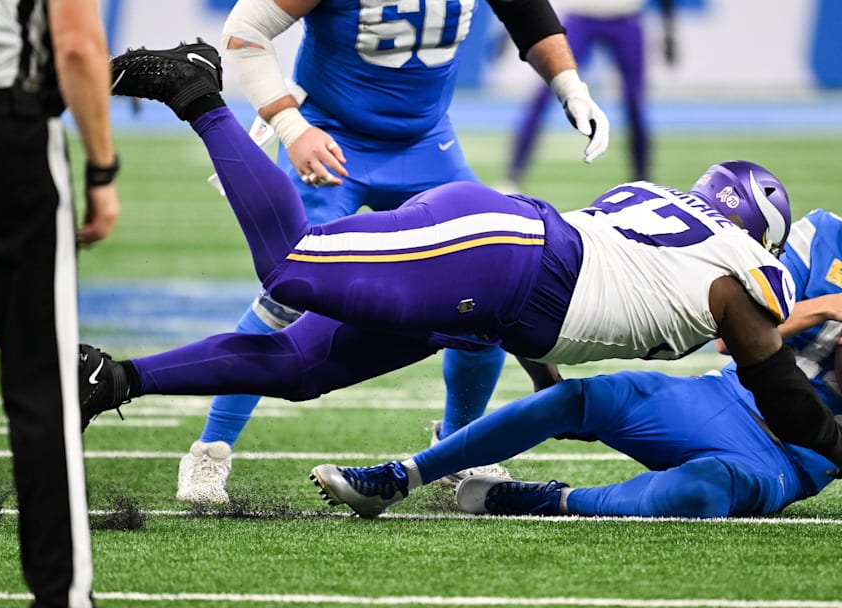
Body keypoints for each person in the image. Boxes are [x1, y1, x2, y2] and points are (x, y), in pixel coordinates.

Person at [79, 43, 842, 491]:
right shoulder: (740, 267)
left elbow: (594, 284)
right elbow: (777, 386)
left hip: (501, 275)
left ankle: (111, 380)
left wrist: (544, 374)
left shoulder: (662, 212)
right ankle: (196, 89)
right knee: (291, 270)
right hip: (501, 260)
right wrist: (834, 436)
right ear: (758, 234)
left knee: (297, 368)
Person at [310, 157, 842, 519]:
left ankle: (547, 500)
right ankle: (401, 476)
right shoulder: (822, 235)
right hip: (727, 398)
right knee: (586, 400)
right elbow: (736, 340)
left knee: (702, 492)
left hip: (795, 460)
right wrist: (825, 306)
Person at [174, 0, 613, 505]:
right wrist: (292, 128)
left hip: (426, 142)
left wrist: (571, 87)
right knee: (290, 295)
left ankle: (457, 444)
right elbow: (246, 29)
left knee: (487, 282)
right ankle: (211, 450)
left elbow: (528, 15)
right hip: (330, 136)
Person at [0, 0, 121, 604]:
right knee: (41, 386)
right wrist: (101, 168)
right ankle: (61, 594)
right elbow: (75, 44)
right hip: (9, 137)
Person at [503, 0, 674, 191]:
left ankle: (643, 181)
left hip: (626, 16)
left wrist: (669, 28)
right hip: (581, 15)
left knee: (634, 102)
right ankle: (513, 176)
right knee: (545, 93)